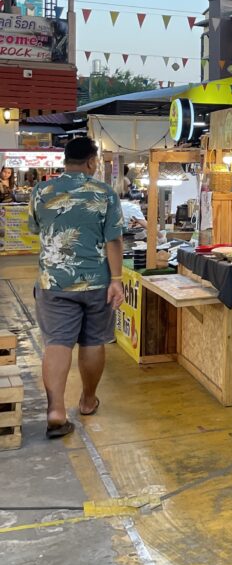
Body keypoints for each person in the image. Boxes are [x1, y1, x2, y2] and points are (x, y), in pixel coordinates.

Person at [28, 137, 124, 438]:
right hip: (96, 281)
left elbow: (35, 227)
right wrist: (117, 280)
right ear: (92, 162)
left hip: (54, 281)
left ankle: (56, 410)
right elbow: (114, 240)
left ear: (65, 160)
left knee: (57, 342)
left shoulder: (42, 190)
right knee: (93, 340)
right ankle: (86, 400)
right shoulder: (105, 193)